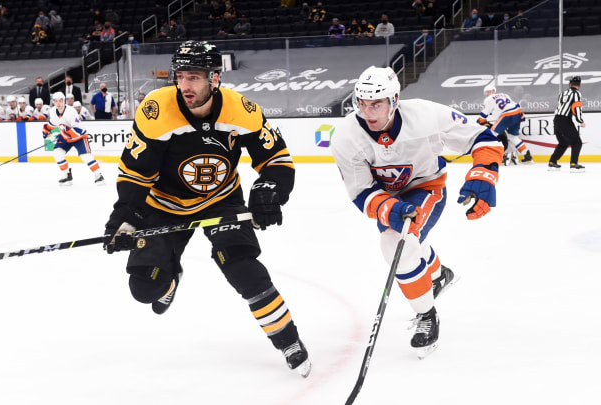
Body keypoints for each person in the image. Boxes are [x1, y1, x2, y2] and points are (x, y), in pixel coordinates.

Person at [101, 40, 311, 377]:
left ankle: (289, 341)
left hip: (221, 199)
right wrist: (125, 218)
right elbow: (135, 174)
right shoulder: (156, 110)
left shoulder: (241, 110)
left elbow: (276, 160)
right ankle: (171, 276)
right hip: (165, 205)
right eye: (180, 76)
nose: (184, 85)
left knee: (244, 268)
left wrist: (271, 188)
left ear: (214, 79)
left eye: (194, 77)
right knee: (144, 288)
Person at [331, 66, 503, 358]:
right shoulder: (346, 136)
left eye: (376, 104)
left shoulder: (426, 116)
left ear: (394, 100)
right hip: (387, 196)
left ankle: (427, 315)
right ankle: (440, 275)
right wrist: (389, 207)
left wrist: (483, 174)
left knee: (396, 243)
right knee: (412, 243)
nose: (368, 112)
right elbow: (361, 191)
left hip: (427, 186)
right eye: (362, 103)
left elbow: (484, 138)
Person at [42, 92, 105, 185]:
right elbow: (52, 123)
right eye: (56, 101)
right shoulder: (52, 111)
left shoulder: (71, 111)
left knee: (86, 156)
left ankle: (99, 176)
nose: (58, 103)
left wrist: (68, 134)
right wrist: (46, 131)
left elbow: (78, 129)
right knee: (57, 152)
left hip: (79, 136)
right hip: (65, 136)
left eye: (60, 101)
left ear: (64, 101)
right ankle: (67, 175)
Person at [477, 83, 532, 165]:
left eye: (488, 92)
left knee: (492, 134)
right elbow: (509, 105)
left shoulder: (488, 99)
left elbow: (484, 114)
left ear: (492, 91)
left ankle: (487, 155)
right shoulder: (504, 94)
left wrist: (480, 121)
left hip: (507, 114)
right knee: (512, 136)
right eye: (486, 92)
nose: (487, 94)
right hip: (518, 112)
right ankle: (527, 155)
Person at [550, 76, 585, 172]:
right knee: (577, 142)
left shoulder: (563, 93)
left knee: (563, 142)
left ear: (570, 84)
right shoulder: (577, 93)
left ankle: (552, 162)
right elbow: (576, 108)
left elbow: (558, 107)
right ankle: (573, 164)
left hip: (556, 119)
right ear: (579, 85)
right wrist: (580, 121)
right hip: (565, 120)